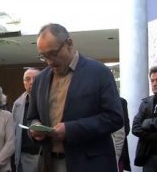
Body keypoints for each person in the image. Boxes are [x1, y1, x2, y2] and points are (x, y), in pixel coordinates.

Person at [27, 23, 124, 172]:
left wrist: (70, 129)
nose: (49, 61)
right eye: (43, 56)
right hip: (49, 163)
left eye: (53, 53)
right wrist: (35, 129)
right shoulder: (40, 79)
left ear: (69, 43)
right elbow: (32, 117)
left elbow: (114, 118)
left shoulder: (98, 72)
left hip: (89, 164)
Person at [12, 68, 41, 172]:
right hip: (25, 156)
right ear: (24, 83)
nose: (31, 82)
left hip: (45, 155)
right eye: (27, 79)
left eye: (35, 78)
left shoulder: (51, 100)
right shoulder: (18, 104)